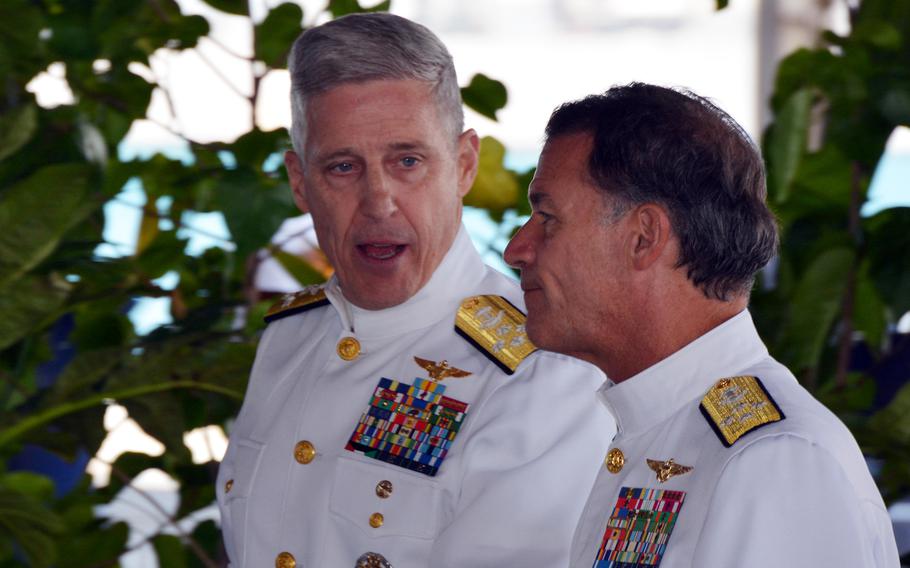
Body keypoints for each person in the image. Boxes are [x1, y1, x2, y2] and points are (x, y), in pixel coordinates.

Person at [215, 12, 613, 568]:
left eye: (407, 161)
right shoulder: (289, 339)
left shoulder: (547, 369)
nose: (379, 201)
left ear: (464, 165)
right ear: (300, 183)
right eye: (342, 167)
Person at [504, 83, 901, 567]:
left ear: (644, 237)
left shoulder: (773, 461)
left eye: (547, 217)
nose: (517, 249)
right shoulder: (671, 428)